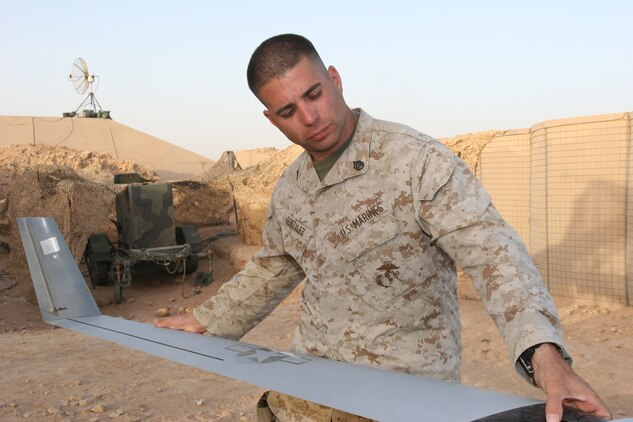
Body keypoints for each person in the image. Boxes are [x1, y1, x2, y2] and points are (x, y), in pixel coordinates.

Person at [155, 33, 611, 422]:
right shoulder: (290, 187)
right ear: (271, 119)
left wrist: (546, 359)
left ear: (334, 79)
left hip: (403, 404)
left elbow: (493, 254)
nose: (309, 118)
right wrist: (205, 320)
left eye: (314, 94)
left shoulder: (416, 162)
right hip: (307, 399)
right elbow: (274, 266)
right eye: (289, 111)